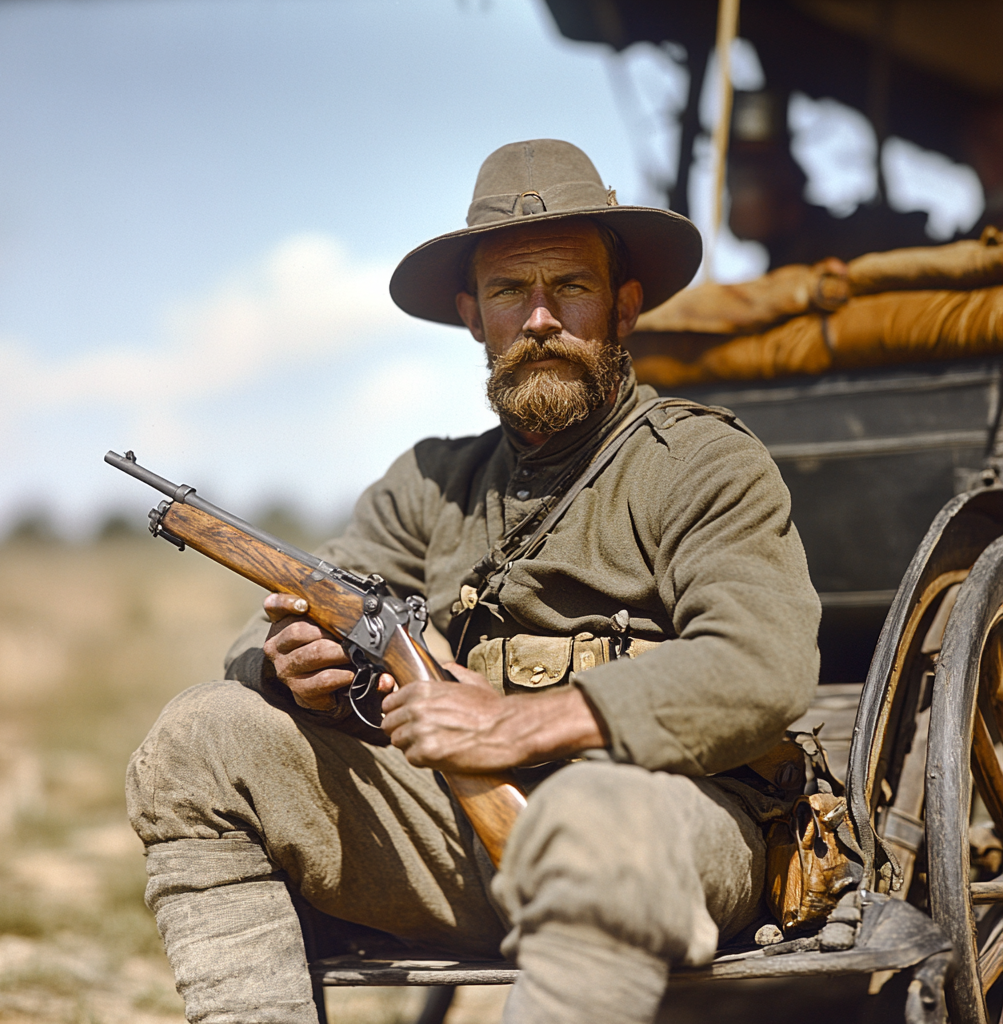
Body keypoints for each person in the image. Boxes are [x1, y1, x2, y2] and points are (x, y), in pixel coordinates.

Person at [127, 139, 821, 1024]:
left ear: (624, 307)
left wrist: (518, 720)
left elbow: (761, 663)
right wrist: (286, 667)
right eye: (508, 292)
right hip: (460, 842)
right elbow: (302, 605)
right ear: (472, 317)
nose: (539, 319)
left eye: (569, 286)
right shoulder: (427, 481)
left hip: (662, 830)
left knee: (593, 820)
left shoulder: (704, 464)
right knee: (199, 737)